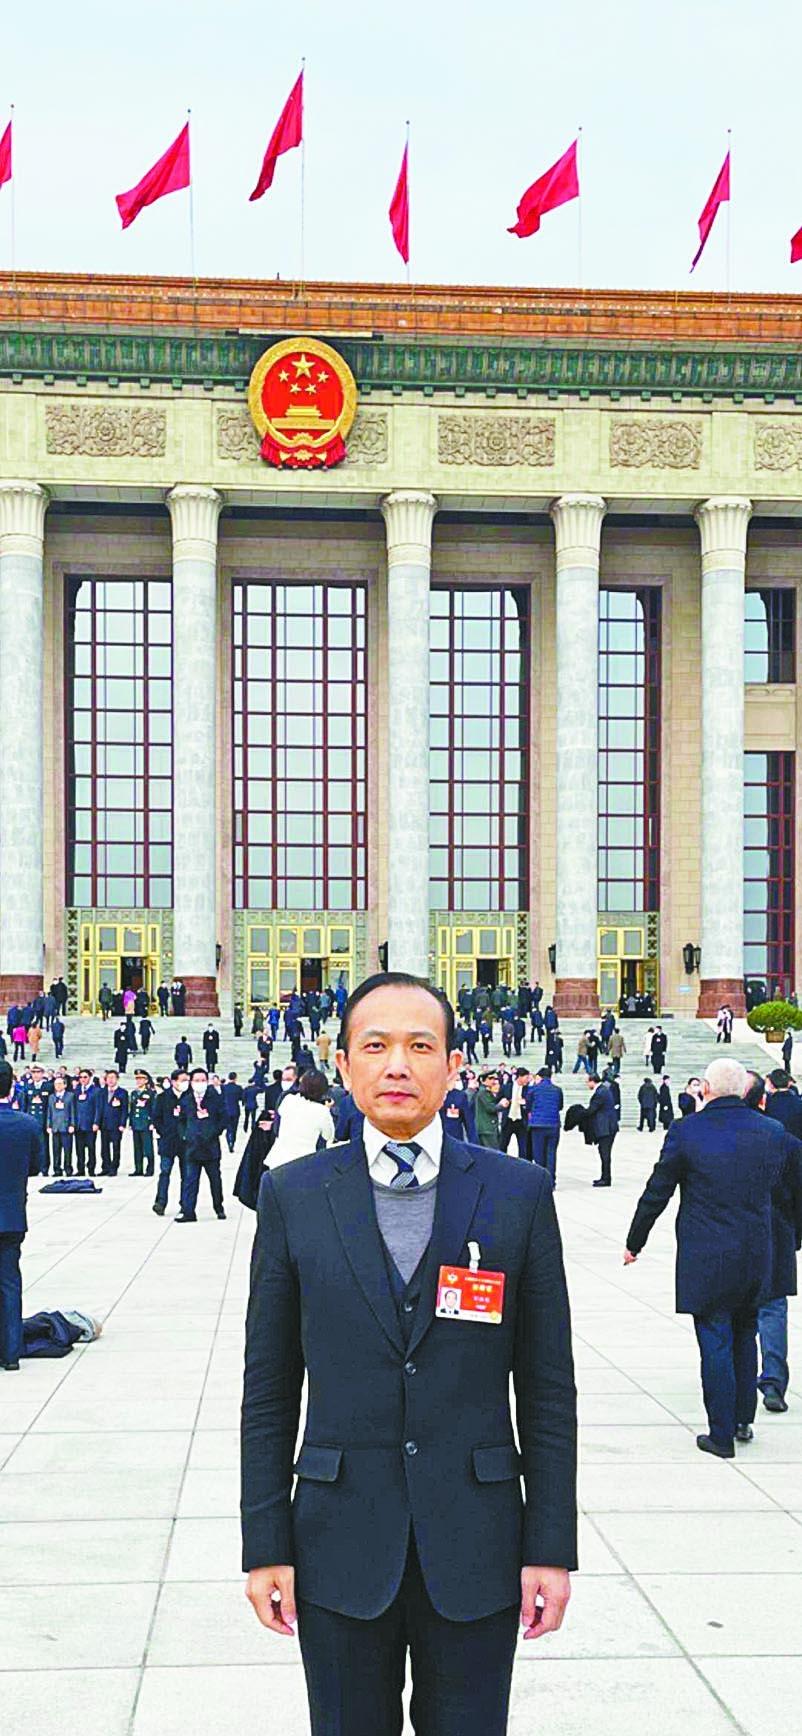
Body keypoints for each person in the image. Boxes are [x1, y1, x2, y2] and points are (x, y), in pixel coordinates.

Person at [242, 971, 577, 1736]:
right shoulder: (294, 1195)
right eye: (375, 1046)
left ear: (454, 1065)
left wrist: (550, 1547)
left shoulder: (517, 1192)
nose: (397, 1065)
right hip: (337, 1542)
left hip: (478, 1543)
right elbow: (269, 1390)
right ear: (343, 1063)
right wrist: (264, 1544)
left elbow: (548, 1389)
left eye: (420, 1046)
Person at [624, 1057, 802, 1458]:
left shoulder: (687, 1131)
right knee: (745, 1333)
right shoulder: (772, 1132)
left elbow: (658, 1190)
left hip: (706, 1254)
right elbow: (794, 1188)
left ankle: (720, 1435)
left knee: (715, 1339)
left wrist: (636, 1240)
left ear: (706, 1089)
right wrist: (795, 1237)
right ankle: (742, 1419)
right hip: (756, 1252)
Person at [0, 1060, 43, 1370]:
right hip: (12, 1216)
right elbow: (36, 1167)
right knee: (10, 1284)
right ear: (12, 1086)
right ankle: (11, 1353)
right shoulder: (27, 1124)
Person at [176, 1068, 226, 1222]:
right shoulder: (186, 1099)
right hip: (192, 1147)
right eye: (196, 1080)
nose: (200, 1083)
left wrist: (214, 1132)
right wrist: (185, 1135)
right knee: (190, 1181)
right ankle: (189, 1211)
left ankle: (218, 1207)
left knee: (215, 1180)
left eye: (203, 1080)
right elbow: (181, 1120)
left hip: (210, 1146)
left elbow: (224, 1118)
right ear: (191, 1082)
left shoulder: (215, 1098)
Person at [268, 1068, 335, 1169]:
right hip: (303, 1161)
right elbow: (328, 1136)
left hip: (279, 1159)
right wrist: (328, 1109)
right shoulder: (322, 1111)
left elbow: (277, 1128)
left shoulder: (288, 1099)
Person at [152, 1070, 189, 1216]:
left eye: (187, 1080)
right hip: (168, 1141)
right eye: (182, 1080)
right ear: (174, 1081)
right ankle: (160, 1202)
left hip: (186, 1142)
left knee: (186, 1175)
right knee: (165, 1172)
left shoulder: (190, 1097)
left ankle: (185, 1204)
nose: (185, 1083)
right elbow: (156, 1117)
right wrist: (164, 1132)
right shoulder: (163, 1097)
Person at [525, 1067, 563, 1182]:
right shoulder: (557, 1090)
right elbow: (560, 1106)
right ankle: (551, 1180)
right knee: (551, 1153)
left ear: (540, 1077)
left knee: (539, 1154)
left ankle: (541, 1180)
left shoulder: (533, 1089)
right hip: (553, 1125)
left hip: (538, 1125)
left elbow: (528, 1106)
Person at [585, 1073, 618, 1187]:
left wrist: (580, 1114)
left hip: (606, 1127)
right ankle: (604, 1177)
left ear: (592, 1081)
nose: (587, 1084)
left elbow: (592, 1109)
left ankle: (606, 1179)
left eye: (587, 1082)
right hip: (607, 1126)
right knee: (603, 1151)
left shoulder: (601, 1092)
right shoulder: (602, 1090)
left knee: (605, 1152)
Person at [98, 1070, 128, 1175]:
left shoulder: (122, 1092)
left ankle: (114, 1168)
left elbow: (124, 1110)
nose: (110, 1080)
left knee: (116, 1147)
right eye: (108, 1078)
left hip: (116, 1124)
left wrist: (122, 1124)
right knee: (104, 1148)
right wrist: (97, 1122)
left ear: (117, 1079)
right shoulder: (102, 1092)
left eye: (113, 1078)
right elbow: (99, 1108)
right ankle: (105, 1167)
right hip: (104, 1124)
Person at [74, 1068, 101, 1177]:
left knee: (91, 1148)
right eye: (81, 1077)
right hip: (79, 1124)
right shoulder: (76, 1090)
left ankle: (91, 1169)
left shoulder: (96, 1091)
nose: (83, 1079)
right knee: (79, 1149)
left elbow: (98, 1108)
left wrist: (96, 1122)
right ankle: (80, 1169)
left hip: (90, 1124)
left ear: (90, 1078)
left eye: (85, 1077)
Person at [129, 1070, 157, 1176]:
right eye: (137, 1079)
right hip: (136, 1123)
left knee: (148, 1147)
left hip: (146, 1123)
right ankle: (138, 1169)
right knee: (137, 1148)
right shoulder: (134, 1093)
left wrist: (152, 1122)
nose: (138, 1081)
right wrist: (131, 1123)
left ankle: (150, 1169)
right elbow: (132, 1109)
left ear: (146, 1080)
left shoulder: (151, 1093)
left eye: (141, 1079)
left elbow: (153, 1109)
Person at [48, 1074, 75, 1176]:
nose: (58, 1086)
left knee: (67, 1150)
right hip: (55, 1127)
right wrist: (48, 1125)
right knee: (56, 1150)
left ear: (65, 1085)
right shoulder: (51, 1097)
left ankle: (68, 1168)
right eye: (56, 1084)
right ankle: (57, 1169)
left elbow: (73, 1111)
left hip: (66, 1126)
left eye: (60, 1084)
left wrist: (72, 1124)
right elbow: (49, 1112)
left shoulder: (70, 1096)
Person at [474, 1072, 502, 1147]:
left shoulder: (486, 1092)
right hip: (487, 1128)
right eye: (490, 1078)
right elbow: (490, 1108)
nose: (493, 1081)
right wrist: (501, 1105)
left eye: (494, 1078)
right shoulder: (483, 1092)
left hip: (487, 1127)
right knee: (492, 1151)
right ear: (483, 1080)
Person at [222, 1072, 244, 1153]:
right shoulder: (238, 1088)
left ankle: (229, 1142)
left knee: (228, 1128)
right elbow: (241, 1098)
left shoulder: (224, 1088)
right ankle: (233, 1143)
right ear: (235, 1078)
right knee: (234, 1129)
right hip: (235, 1110)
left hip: (226, 1110)